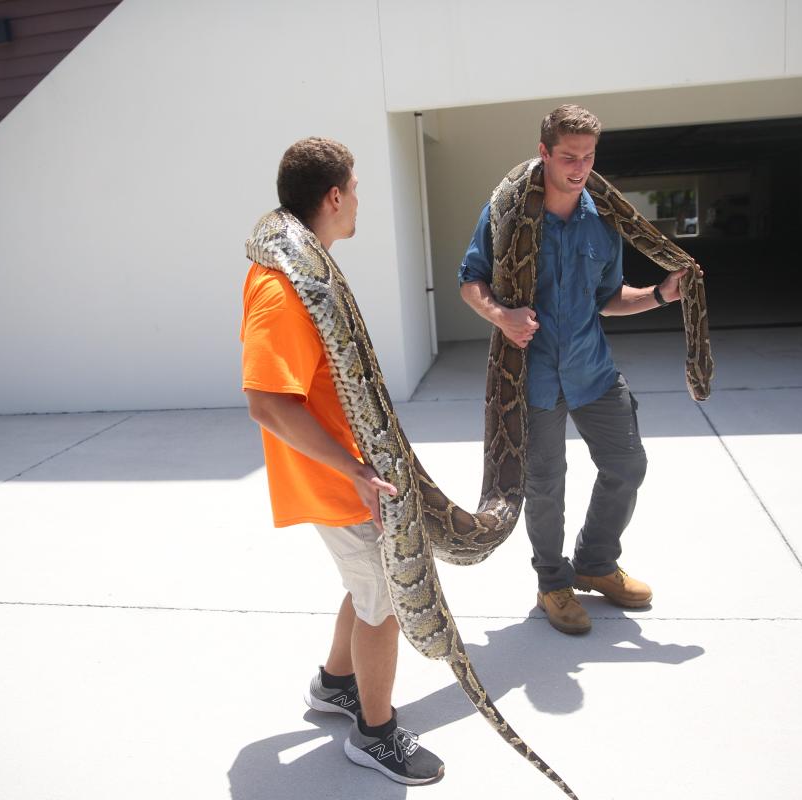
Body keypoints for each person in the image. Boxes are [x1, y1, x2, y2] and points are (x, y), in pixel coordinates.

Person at [241, 137, 444, 785]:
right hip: (338, 477)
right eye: (355, 188)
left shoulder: (305, 266)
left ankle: (335, 685)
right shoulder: (281, 288)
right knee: (384, 595)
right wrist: (357, 471)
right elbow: (268, 403)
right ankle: (375, 734)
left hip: (346, 468)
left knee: (365, 582)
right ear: (333, 197)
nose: (359, 199)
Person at [459, 105, 691, 635]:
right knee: (546, 486)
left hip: (594, 371)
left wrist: (659, 294)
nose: (580, 167)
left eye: (588, 157)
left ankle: (596, 562)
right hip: (533, 377)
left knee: (627, 465)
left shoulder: (603, 220)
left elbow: (608, 298)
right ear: (544, 152)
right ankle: (552, 582)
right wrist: (501, 315)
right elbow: (470, 279)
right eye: (568, 156)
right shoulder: (507, 211)